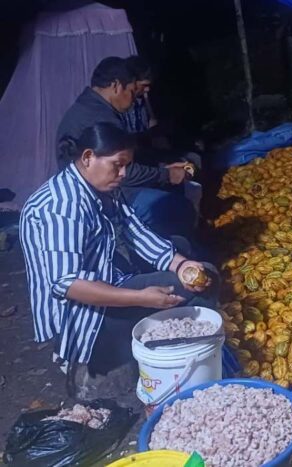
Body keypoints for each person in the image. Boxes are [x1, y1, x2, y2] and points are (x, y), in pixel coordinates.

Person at [20, 123, 219, 397]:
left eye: (126, 165)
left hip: (109, 283)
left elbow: (136, 232)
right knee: (200, 292)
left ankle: (174, 360)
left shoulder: (101, 188)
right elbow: (68, 284)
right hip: (83, 320)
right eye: (118, 165)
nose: (124, 173)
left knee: (195, 268)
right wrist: (142, 298)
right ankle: (177, 376)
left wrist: (181, 264)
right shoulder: (60, 206)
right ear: (88, 157)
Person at [56, 57, 197, 239]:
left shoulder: (87, 108)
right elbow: (124, 173)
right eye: (132, 91)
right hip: (100, 196)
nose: (134, 99)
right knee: (177, 208)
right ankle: (158, 256)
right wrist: (165, 174)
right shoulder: (99, 118)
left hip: (99, 187)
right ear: (116, 86)